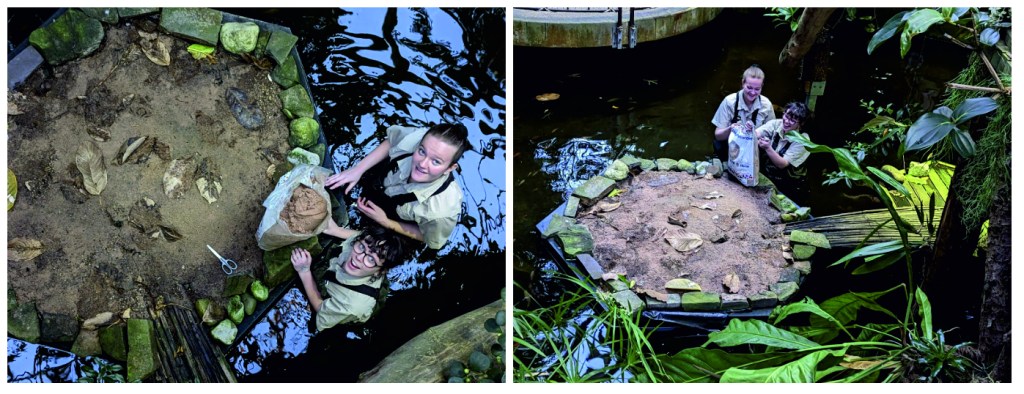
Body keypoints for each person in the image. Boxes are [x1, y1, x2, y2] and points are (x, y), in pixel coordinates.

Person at [324, 124, 471, 250]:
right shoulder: (419, 138)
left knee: (382, 247)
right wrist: (358, 170)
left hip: (397, 221)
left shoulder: (440, 212)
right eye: (421, 151)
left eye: (436, 162)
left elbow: (431, 240)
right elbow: (391, 141)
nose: (423, 164)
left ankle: (336, 231)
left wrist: (385, 222)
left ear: (450, 168)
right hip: (381, 184)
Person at [290, 223, 408, 331]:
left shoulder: (352, 305)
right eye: (362, 247)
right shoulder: (363, 243)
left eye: (371, 259)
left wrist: (304, 272)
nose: (359, 257)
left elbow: (321, 309)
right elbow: (360, 237)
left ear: (380, 271)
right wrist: (336, 230)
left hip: (344, 309)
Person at [712, 65, 776, 162]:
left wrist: (764, 140)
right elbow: (718, 135)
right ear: (743, 83)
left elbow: (773, 133)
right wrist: (731, 129)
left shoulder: (766, 105)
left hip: (754, 152)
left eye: (757, 89)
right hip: (731, 149)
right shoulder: (729, 101)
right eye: (749, 87)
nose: (753, 92)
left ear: (762, 87)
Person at [756, 101, 811, 200]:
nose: (786, 121)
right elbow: (757, 133)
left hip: (790, 184)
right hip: (771, 177)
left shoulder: (803, 141)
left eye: (793, 120)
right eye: (786, 116)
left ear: (801, 123)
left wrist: (768, 148)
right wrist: (749, 130)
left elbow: (782, 164)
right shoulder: (776, 123)